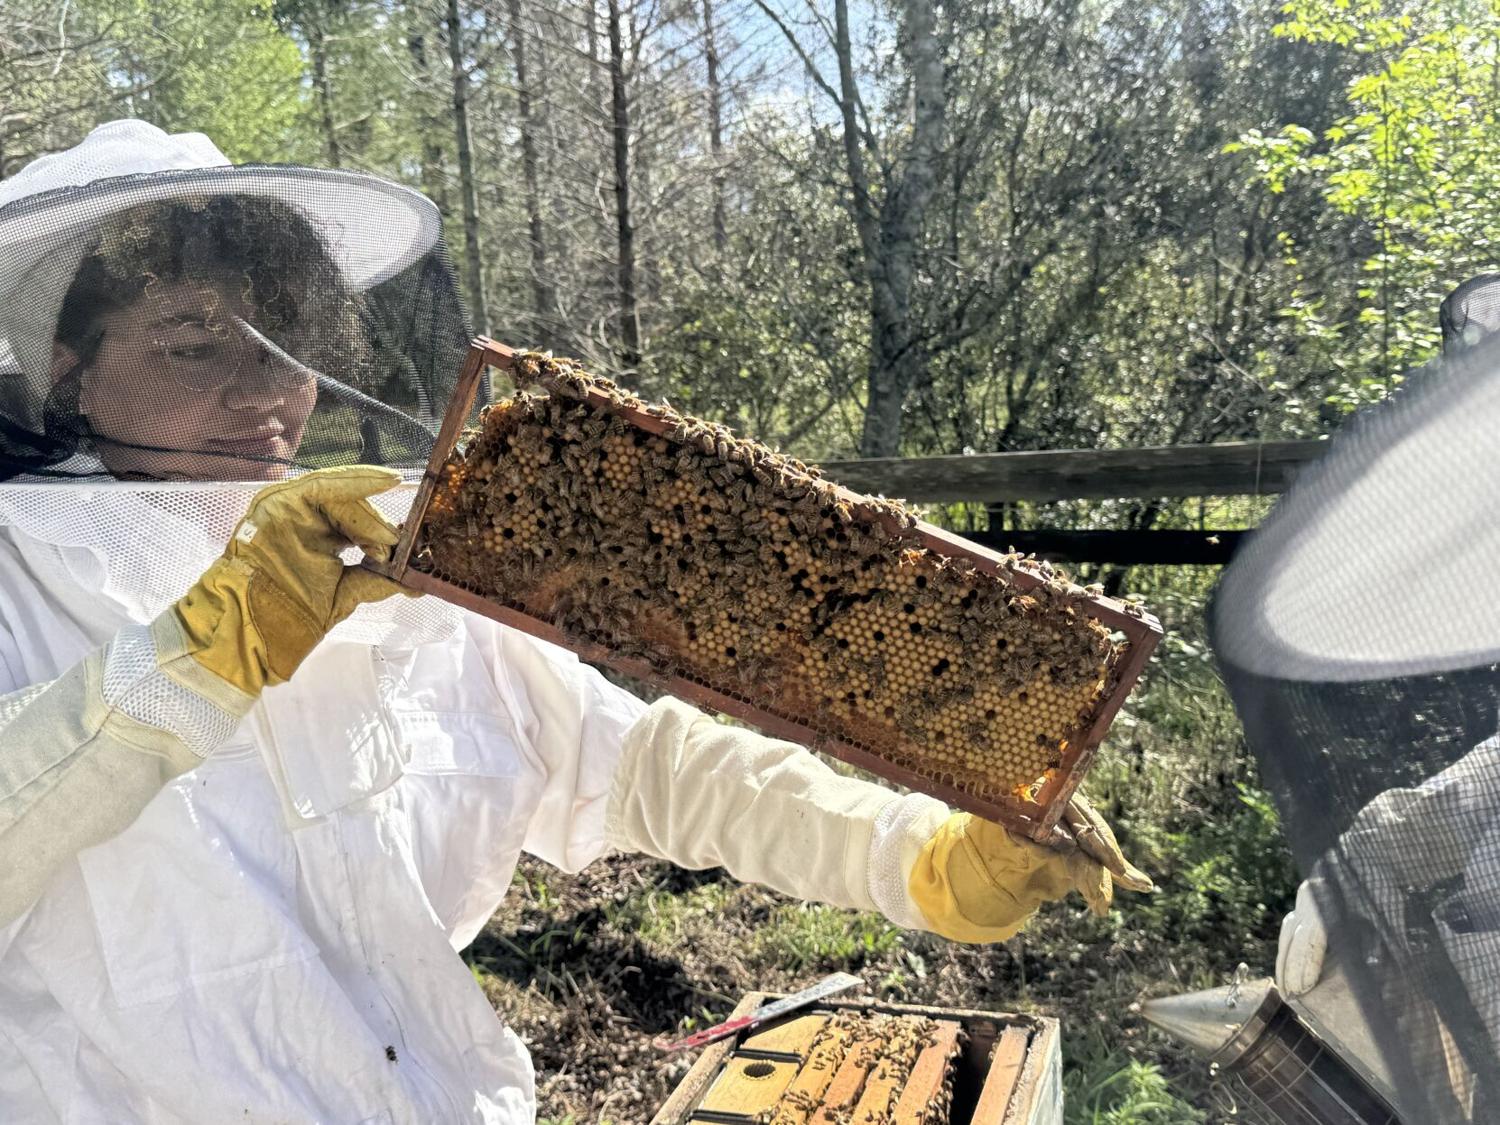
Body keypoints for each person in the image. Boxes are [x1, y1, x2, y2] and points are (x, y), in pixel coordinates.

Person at [0, 121, 1150, 1123]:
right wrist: (192, 663)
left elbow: (629, 762)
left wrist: (922, 852)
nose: (269, 391)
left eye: (293, 344)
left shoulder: (380, 551)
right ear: (65, 375)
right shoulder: (15, 582)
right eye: (194, 344)